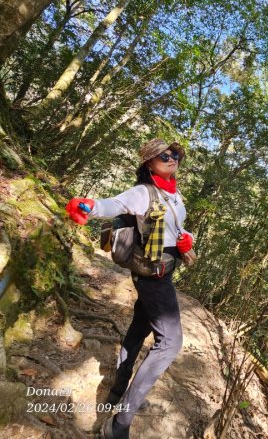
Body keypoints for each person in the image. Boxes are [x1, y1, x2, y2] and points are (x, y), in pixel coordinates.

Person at [65, 138, 194, 439]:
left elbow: (177, 228)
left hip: (165, 270)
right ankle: (119, 423)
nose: (172, 158)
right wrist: (89, 206)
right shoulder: (143, 192)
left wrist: (187, 239)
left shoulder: (175, 195)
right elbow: (114, 204)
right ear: (149, 162)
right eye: (164, 155)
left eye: (175, 154)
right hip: (152, 277)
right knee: (170, 343)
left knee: (140, 328)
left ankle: (118, 390)